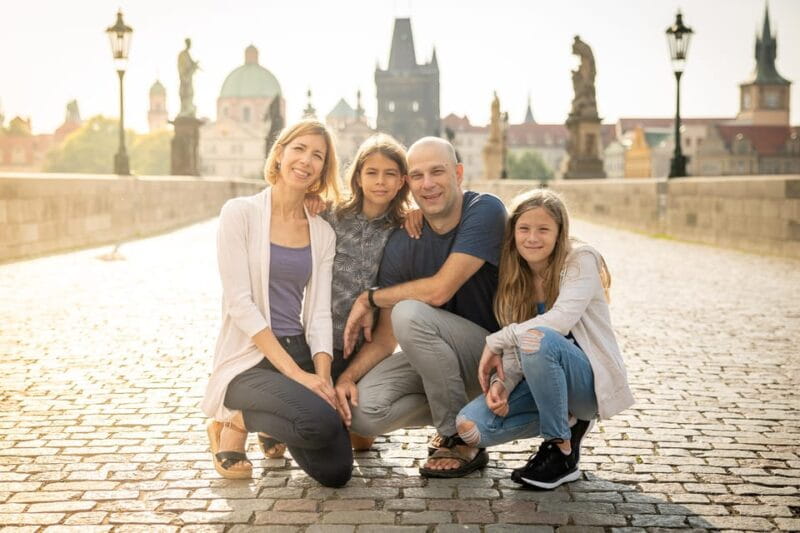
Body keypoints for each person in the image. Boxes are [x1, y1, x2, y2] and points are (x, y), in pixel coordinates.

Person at [336, 136, 507, 478]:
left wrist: (370, 297)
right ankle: (464, 412)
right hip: (437, 363)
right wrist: (347, 377)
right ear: (407, 184)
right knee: (363, 412)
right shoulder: (402, 241)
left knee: (408, 312)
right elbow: (385, 340)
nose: (427, 184)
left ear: (458, 173)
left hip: (490, 360)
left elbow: (441, 290)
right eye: (417, 176)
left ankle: (456, 436)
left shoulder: (485, 210)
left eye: (437, 172)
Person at [200, 119, 353, 487]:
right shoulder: (240, 213)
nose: (306, 160)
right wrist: (297, 376)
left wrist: (322, 376)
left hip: (294, 347)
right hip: (248, 359)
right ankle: (235, 420)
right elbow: (240, 303)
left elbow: (317, 313)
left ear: (323, 169)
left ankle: (265, 419)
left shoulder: (321, 231)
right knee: (316, 423)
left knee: (337, 473)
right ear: (280, 153)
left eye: (318, 155)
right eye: (299, 149)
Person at [456, 189, 634, 489]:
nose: (532, 238)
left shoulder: (580, 259)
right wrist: (503, 384)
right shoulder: (514, 277)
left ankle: (560, 448)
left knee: (538, 339)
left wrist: (495, 340)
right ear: (513, 233)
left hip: (586, 386)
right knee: (470, 428)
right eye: (524, 229)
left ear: (559, 233)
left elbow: (560, 320)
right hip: (541, 381)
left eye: (543, 230)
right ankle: (567, 420)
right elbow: (514, 351)